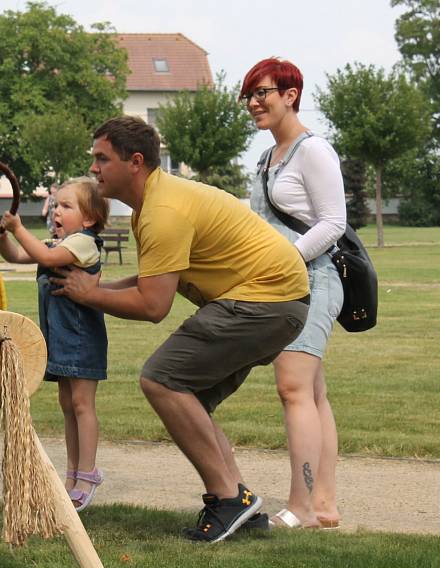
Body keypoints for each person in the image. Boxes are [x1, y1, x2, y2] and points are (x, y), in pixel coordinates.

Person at [53, 116, 311, 542]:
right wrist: (100, 288)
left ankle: (227, 500)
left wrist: (89, 295)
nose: (94, 169)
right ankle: (241, 505)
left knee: (162, 379)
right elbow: (154, 278)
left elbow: (154, 305)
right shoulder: (154, 204)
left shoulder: (162, 211)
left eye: (102, 158)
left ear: (134, 162)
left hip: (264, 300)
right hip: (277, 301)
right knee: (190, 400)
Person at [239, 58, 346, 530]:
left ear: (291, 94)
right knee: (313, 392)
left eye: (262, 92)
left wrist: (287, 259)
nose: (254, 103)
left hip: (316, 278)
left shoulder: (313, 151)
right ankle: (323, 504)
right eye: (249, 95)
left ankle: (301, 506)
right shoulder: (266, 159)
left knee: (294, 388)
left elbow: (333, 223)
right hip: (283, 282)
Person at [0, 177, 109, 511]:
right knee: (68, 405)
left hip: (82, 339)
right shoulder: (59, 244)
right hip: (60, 340)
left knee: (83, 405)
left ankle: (88, 473)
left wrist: (17, 226)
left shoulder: (83, 243)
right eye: (56, 204)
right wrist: (2, 239)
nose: (57, 211)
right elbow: (17, 255)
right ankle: (72, 473)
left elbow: (42, 254)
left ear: (88, 219)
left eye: (66, 206)